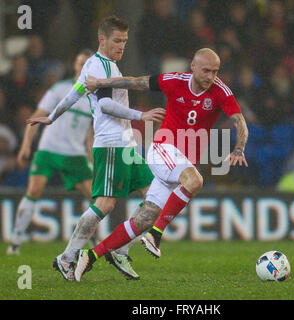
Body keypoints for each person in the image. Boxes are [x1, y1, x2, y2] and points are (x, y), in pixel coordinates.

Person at [73, 47, 249, 281]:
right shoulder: (173, 81)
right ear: (193, 67)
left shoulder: (220, 91)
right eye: (206, 70)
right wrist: (101, 82)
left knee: (143, 219)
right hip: (163, 149)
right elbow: (135, 82)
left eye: (215, 71)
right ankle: (157, 235)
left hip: (180, 164)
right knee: (195, 180)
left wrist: (239, 148)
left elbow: (240, 122)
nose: (210, 76)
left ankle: (90, 256)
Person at [26, 16, 166, 281]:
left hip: (126, 144)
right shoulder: (99, 66)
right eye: (117, 41)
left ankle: (120, 248)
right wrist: (141, 115)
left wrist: (52, 116)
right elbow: (103, 106)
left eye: (124, 41)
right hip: (111, 143)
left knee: (154, 196)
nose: (121, 46)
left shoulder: (107, 65)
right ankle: (67, 257)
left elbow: (74, 93)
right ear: (102, 39)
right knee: (105, 204)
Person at [6, 50, 94, 256]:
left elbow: (89, 133)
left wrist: (91, 156)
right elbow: (36, 117)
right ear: (74, 65)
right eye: (81, 64)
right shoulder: (59, 89)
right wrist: (26, 146)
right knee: (34, 190)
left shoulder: (94, 98)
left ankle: (88, 239)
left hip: (75, 154)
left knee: (97, 200)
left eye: (88, 65)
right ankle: (16, 242)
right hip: (49, 149)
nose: (83, 68)